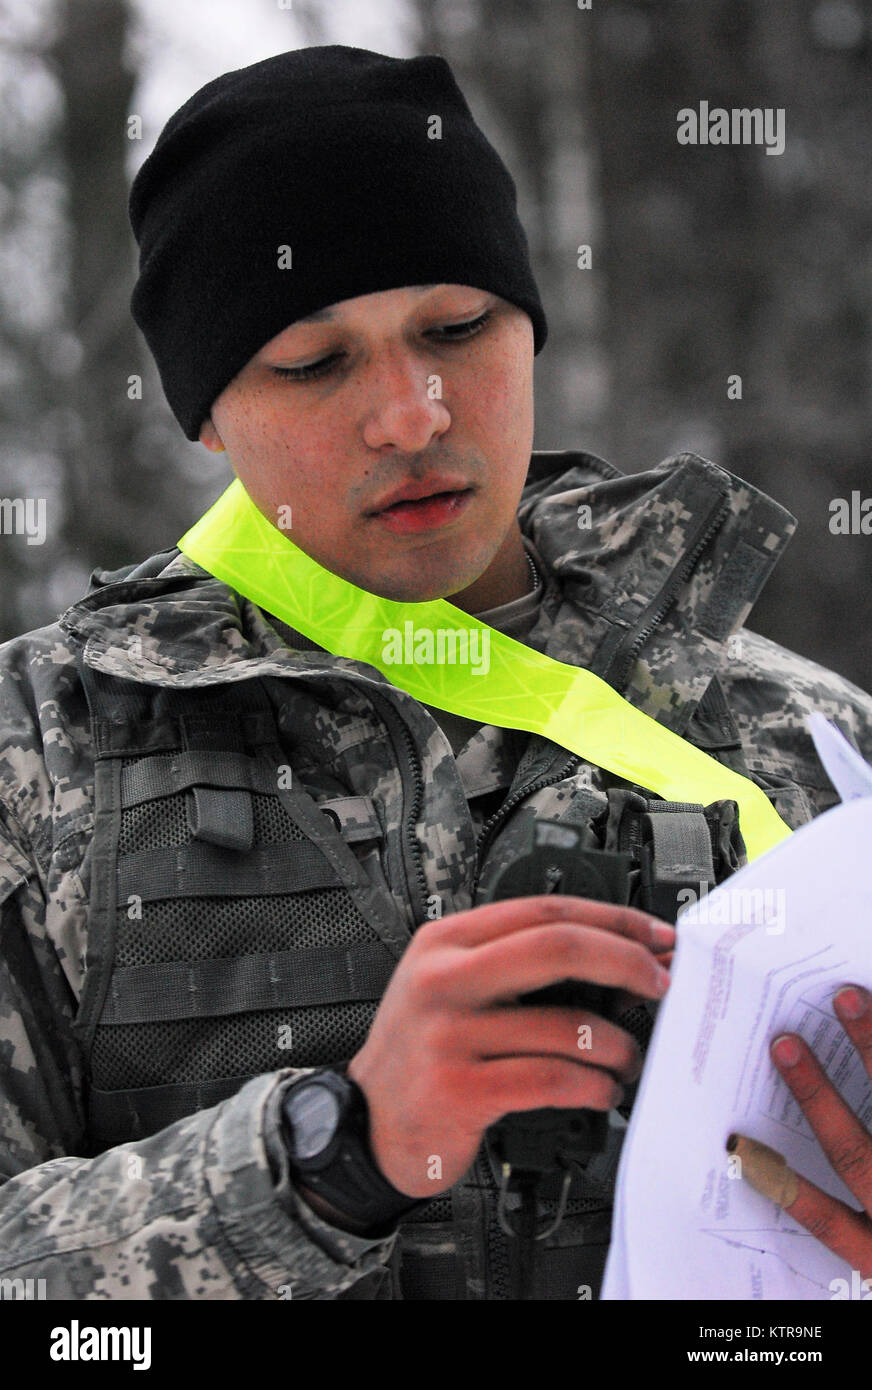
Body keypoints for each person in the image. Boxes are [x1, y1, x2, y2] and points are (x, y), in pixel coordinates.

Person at [0, 44, 870, 1303]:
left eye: (455, 328)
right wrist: (324, 1160)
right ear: (204, 412)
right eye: (313, 360)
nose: (412, 412)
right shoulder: (44, 754)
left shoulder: (803, 733)